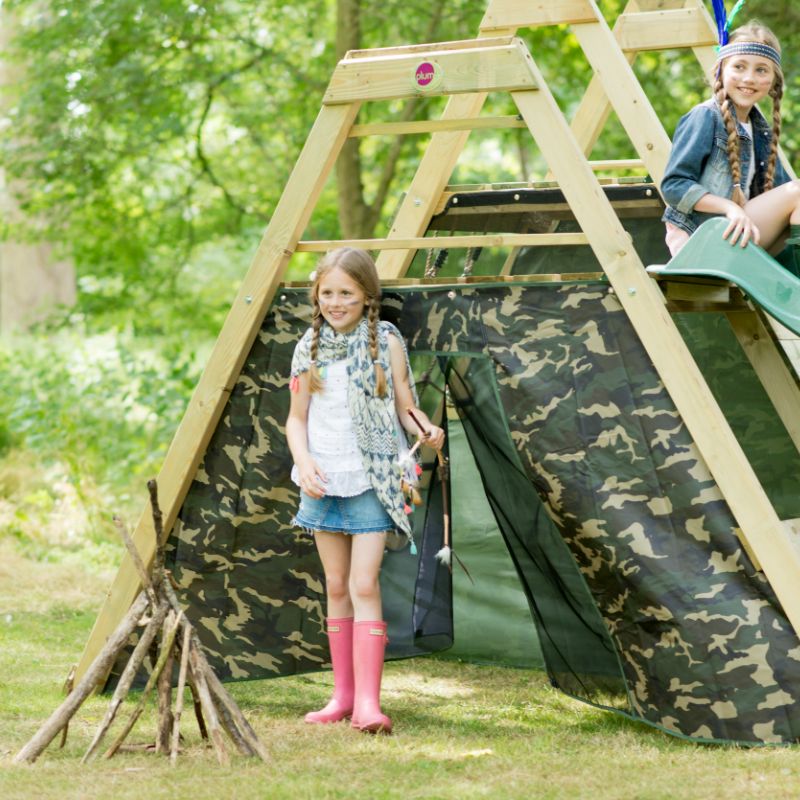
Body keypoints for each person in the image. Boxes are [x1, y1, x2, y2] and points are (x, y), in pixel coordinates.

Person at [286, 247, 445, 734]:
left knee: (364, 584)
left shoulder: (386, 342)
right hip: (322, 478)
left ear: (367, 296)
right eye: (327, 293)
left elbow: (403, 405)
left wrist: (427, 427)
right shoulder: (307, 347)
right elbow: (296, 420)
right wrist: (304, 460)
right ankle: (342, 696)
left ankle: (370, 706)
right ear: (317, 295)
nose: (336, 302)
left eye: (346, 293)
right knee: (335, 586)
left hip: (372, 477)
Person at [661, 20, 800, 275]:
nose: (749, 78)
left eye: (761, 70)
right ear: (721, 70)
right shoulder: (705, 117)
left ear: (773, 80)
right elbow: (673, 186)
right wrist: (730, 207)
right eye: (739, 66)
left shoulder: (760, 130)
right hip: (703, 241)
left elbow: (782, 194)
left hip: (741, 236)